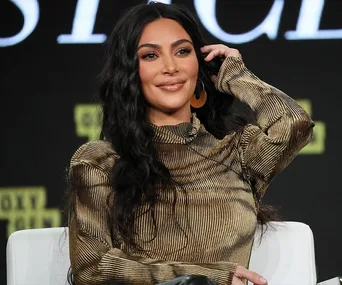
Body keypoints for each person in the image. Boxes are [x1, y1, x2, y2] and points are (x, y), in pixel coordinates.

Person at [66, 2, 314, 285]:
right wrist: (200, 277)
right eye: (150, 56)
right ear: (130, 73)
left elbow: (293, 124)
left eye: (182, 51)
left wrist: (235, 75)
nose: (170, 67)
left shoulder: (238, 153)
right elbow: (92, 269)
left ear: (199, 63)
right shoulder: (99, 161)